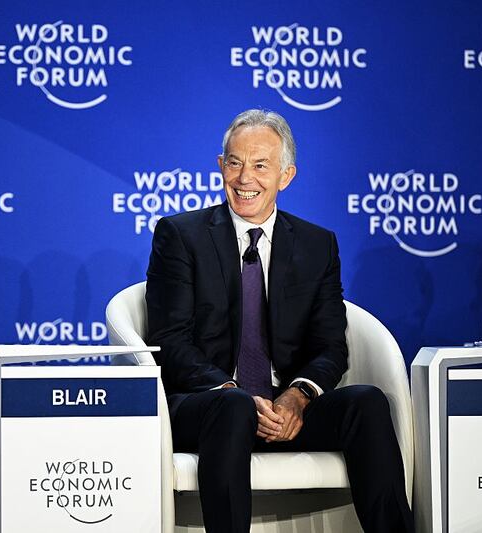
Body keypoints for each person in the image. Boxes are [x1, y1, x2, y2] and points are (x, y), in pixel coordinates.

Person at [145, 109, 414, 532]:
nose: (243, 178)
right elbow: (170, 341)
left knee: (365, 402)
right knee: (233, 407)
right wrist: (230, 389)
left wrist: (298, 397)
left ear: (286, 176)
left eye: (259, 165)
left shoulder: (316, 245)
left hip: (283, 410)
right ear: (220, 166)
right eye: (234, 162)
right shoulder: (181, 236)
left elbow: (330, 346)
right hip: (208, 406)